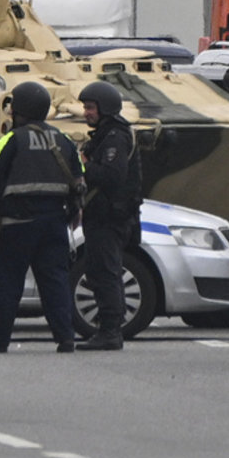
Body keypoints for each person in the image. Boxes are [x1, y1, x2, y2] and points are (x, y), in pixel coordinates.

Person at [0, 82, 81, 354]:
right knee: (55, 282)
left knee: (7, 283)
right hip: (55, 223)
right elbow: (78, 179)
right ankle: (65, 338)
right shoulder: (63, 139)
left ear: (18, 110)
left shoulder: (12, 139)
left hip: (17, 225)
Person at [76, 81, 142, 352]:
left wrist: (85, 166)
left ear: (105, 108)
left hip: (110, 218)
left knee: (106, 272)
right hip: (101, 217)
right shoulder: (104, 136)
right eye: (85, 107)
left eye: (90, 107)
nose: (86, 113)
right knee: (99, 271)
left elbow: (112, 177)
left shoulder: (115, 136)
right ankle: (107, 329)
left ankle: (110, 331)